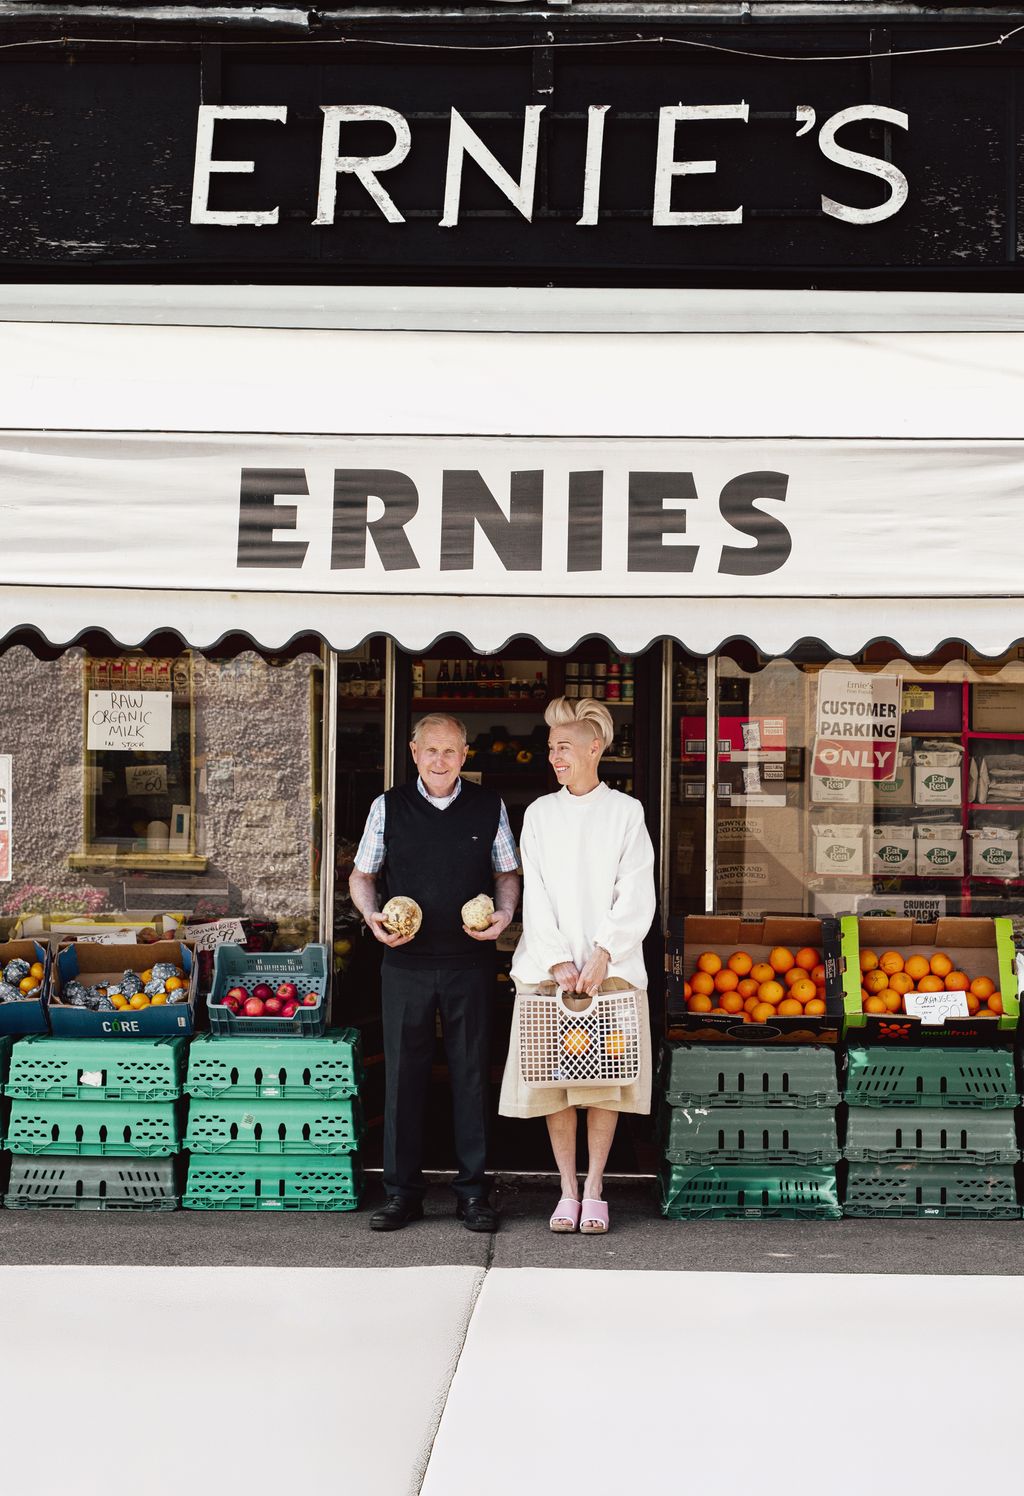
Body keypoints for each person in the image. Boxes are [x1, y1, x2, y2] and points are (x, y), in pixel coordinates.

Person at [349, 713, 521, 1233]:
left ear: (465, 755)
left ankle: (474, 1192)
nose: (441, 760)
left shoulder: (489, 806)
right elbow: (362, 875)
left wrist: (506, 915)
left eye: (451, 751)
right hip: (405, 964)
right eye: (431, 751)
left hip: (469, 963)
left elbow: (506, 872)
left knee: (471, 1075)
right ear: (414, 751)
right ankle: (403, 1193)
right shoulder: (388, 807)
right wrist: (371, 916)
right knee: (404, 1078)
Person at [499, 697, 655, 1235]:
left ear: (595, 748)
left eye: (563, 747)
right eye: (550, 749)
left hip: (609, 972)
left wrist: (605, 949)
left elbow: (635, 890)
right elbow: (534, 894)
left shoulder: (626, 812)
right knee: (554, 1085)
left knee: (603, 1085)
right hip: (550, 971)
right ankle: (566, 1188)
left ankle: (595, 1189)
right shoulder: (540, 814)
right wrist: (557, 958)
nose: (554, 757)